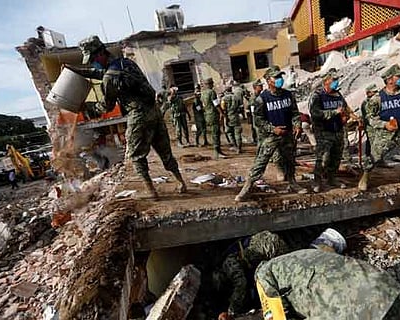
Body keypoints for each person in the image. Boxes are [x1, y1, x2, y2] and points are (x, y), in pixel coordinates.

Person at [70, 35, 187, 199]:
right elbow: (100, 73)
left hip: (139, 116)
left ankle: (151, 192)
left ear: (100, 53)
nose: (92, 63)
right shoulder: (126, 63)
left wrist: (86, 108)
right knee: (165, 152)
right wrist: (77, 71)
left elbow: (107, 106)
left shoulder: (110, 77)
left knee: (136, 155)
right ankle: (181, 182)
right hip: (154, 111)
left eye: (92, 59)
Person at [255, 231, 400, 320]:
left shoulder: (263, 273)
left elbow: (276, 316)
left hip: (356, 311)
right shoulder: (308, 254)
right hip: (391, 291)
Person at [235, 66, 307, 202]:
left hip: (287, 135)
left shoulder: (288, 95)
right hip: (271, 136)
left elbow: (294, 113)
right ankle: (248, 187)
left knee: (290, 161)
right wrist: (273, 129)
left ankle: (292, 182)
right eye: (276, 77)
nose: (280, 80)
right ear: (269, 80)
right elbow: (258, 121)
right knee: (260, 162)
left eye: (281, 77)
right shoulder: (262, 99)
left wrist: (297, 125)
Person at [214, 231, 289, 318]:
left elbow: (241, 284)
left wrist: (232, 311)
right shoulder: (232, 260)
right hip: (268, 246)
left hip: (269, 248)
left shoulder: (228, 264)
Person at [310, 69, 356, 192]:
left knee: (336, 157)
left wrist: (353, 117)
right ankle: (317, 180)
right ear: (326, 81)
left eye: (336, 80)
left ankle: (332, 178)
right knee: (323, 159)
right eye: (333, 80)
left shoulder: (338, 95)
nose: (336, 82)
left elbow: (345, 108)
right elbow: (315, 113)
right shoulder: (317, 95)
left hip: (338, 130)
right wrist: (334, 112)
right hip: (324, 131)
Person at [201, 77, 227, 159]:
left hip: (207, 115)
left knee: (214, 133)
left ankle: (218, 151)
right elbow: (216, 104)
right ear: (210, 84)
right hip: (213, 115)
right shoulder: (211, 92)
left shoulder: (203, 93)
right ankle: (217, 152)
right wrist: (222, 113)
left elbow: (203, 105)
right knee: (216, 133)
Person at [222, 85, 243, 154]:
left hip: (228, 116)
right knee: (238, 133)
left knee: (230, 133)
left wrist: (225, 117)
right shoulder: (236, 97)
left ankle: (235, 146)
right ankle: (239, 148)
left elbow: (223, 108)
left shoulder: (224, 99)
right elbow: (240, 105)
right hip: (236, 116)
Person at [360, 83, 379, 159]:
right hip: (370, 126)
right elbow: (369, 115)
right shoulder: (366, 103)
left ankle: (374, 159)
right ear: (368, 93)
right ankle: (370, 159)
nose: (375, 93)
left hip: (375, 124)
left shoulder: (374, 101)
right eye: (373, 92)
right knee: (372, 143)